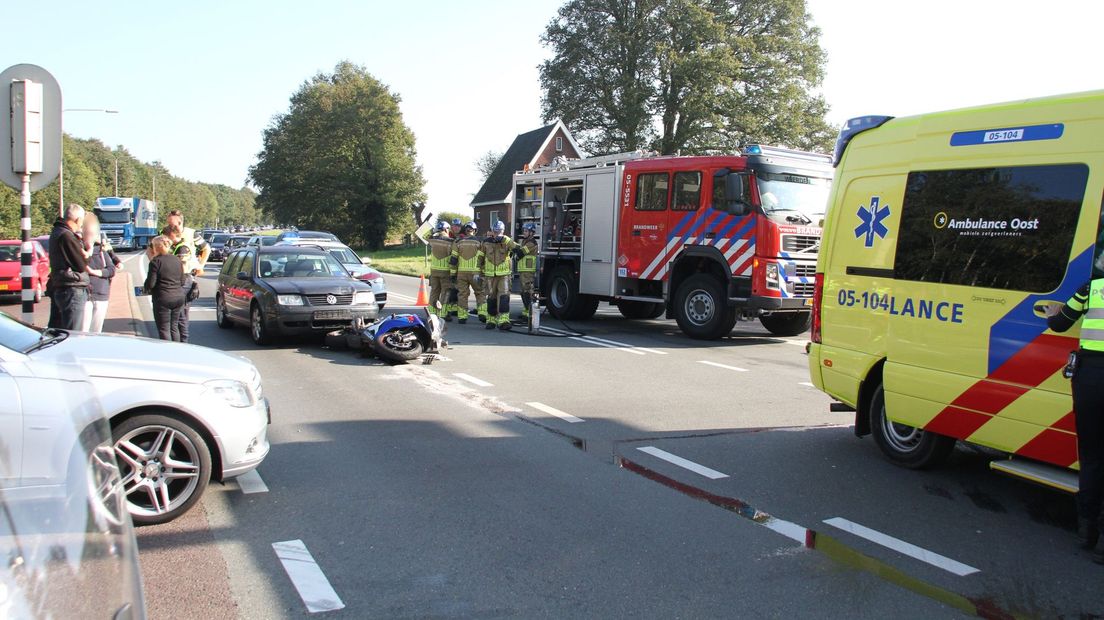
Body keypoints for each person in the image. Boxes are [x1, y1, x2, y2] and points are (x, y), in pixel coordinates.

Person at [1047, 256, 1104, 562]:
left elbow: (1059, 324)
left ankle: (1086, 532)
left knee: (1092, 457)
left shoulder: (1091, 288)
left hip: (1091, 379)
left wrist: (1054, 311)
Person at [47, 204, 101, 330]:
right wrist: (89, 251)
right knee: (72, 331)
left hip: (61, 285)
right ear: (78, 220)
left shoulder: (57, 232)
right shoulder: (66, 236)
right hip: (71, 288)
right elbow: (81, 264)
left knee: (58, 328)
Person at [165, 210, 209, 343]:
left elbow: (206, 248)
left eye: (171, 224)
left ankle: (183, 341)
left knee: (182, 312)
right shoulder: (164, 232)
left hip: (186, 276)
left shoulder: (191, 233)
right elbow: (152, 248)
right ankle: (174, 340)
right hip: (169, 277)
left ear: (180, 223)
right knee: (171, 312)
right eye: (168, 223)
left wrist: (200, 266)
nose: (169, 226)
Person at [80, 214, 120, 333]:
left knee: (96, 331)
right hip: (85, 294)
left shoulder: (101, 250)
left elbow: (111, 270)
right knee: (83, 330)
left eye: (93, 234)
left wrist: (95, 272)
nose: (91, 237)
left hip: (101, 294)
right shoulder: (79, 249)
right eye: (88, 234)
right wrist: (88, 250)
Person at [145, 235, 186, 341]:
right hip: (178, 297)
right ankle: (177, 349)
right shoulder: (177, 260)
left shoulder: (155, 262)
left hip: (163, 297)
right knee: (174, 327)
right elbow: (183, 281)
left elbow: (151, 283)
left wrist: (146, 288)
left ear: (156, 247)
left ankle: (167, 352)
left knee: (164, 328)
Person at [481, 220, 518, 330]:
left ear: (503, 231)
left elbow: (518, 249)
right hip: (490, 275)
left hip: (504, 275)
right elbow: (480, 257)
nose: (497, 234)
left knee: (504, 297)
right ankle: (491, 320)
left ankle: (504, 320)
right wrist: (477, 273)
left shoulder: (507, 241)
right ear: (492, 231)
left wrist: (506, 240)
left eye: (499, 232)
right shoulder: (486, 242)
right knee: (491, 298)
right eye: (496, 232)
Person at [449, 222, 487, 324]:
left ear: (465, 230)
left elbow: (453, 260)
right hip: (476, 273)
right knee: (480, 293)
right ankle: (482, 312)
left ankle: (462, 316)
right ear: (475, 230)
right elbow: (483, 259)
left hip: (462, 273)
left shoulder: (458, 242)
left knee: (462, 294)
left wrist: (452, 274)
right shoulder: (480, 242)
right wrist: (483, 272)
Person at [426, 221, 454, 317]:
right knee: (445, 292)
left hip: (434, 271)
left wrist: (433, 231)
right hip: (445, 271)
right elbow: (453, 257)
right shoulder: (450, 241)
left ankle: (432, 312)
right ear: (446, 229)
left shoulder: (432, 240)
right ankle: (442, 313)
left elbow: (426, 235)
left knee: (434, 291)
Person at [514, 223, 539, 322]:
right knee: (524, 292)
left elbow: (521, 253)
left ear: (531, 233)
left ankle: (530, 313)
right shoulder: (525, 241)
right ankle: (526, 312)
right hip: (523, 270)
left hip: (528, 271)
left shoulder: (531, 243)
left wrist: (514, 249)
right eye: (524, 231)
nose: (524, 233)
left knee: (528, 292)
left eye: (526, 231)